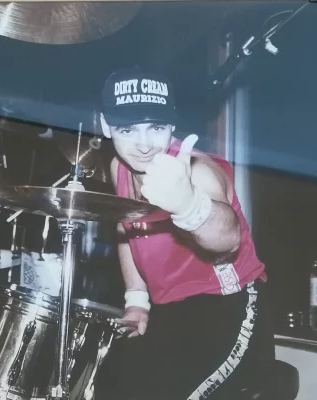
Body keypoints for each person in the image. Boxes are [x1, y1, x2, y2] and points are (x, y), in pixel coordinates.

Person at [96, 67, 275, 400]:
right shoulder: (119, 167)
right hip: (170, 312)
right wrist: (136, 301)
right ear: (106, 126)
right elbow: (125, 226)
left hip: (228, 306)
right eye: (128, 130)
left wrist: (190, 206)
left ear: (172, 124)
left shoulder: (197, 170)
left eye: (156, 127)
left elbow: (228, 240)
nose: (144, 145)